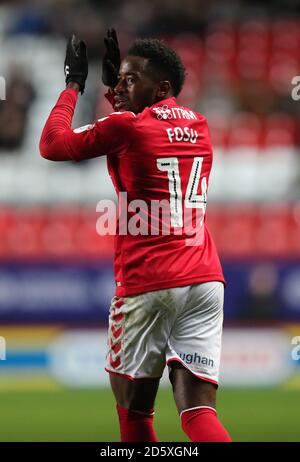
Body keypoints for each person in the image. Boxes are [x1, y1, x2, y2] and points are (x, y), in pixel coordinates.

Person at [39, 30, 231, 443]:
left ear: (161, 87)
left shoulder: (128, 126)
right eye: (120, 80)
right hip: (205, 279)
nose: (121, 86)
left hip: (150, 282)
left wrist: (74, 86)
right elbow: (147, 131)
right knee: (197, 413)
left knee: (135, 416)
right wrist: (118, 92)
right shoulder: (200, 125)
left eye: (130, 80)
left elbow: (53, 145)